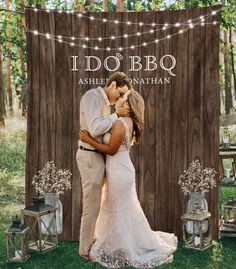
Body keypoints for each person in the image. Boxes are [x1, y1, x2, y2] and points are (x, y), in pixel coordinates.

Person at [79, 90, 178, 268]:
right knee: (121, 209)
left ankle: (126, 247)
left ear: (127, 105)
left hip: (119, 172)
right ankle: (120, 244)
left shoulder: (121, 123)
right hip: (120, 170)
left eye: (123, 98)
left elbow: (110, 150)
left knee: (119, 210)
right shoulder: (124, 121)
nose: (119, 98)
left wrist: (88, 140)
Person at [76, 72, 133, 261]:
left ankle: (93, 241)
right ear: (113, 85)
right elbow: (95, 129)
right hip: (90, 156)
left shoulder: (104, 103)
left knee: (98, 204)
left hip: (98, 156)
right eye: (120, 93)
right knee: (91, 206)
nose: (120, 98)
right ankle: (85, 250)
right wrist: (116, 114)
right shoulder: (93, 97)